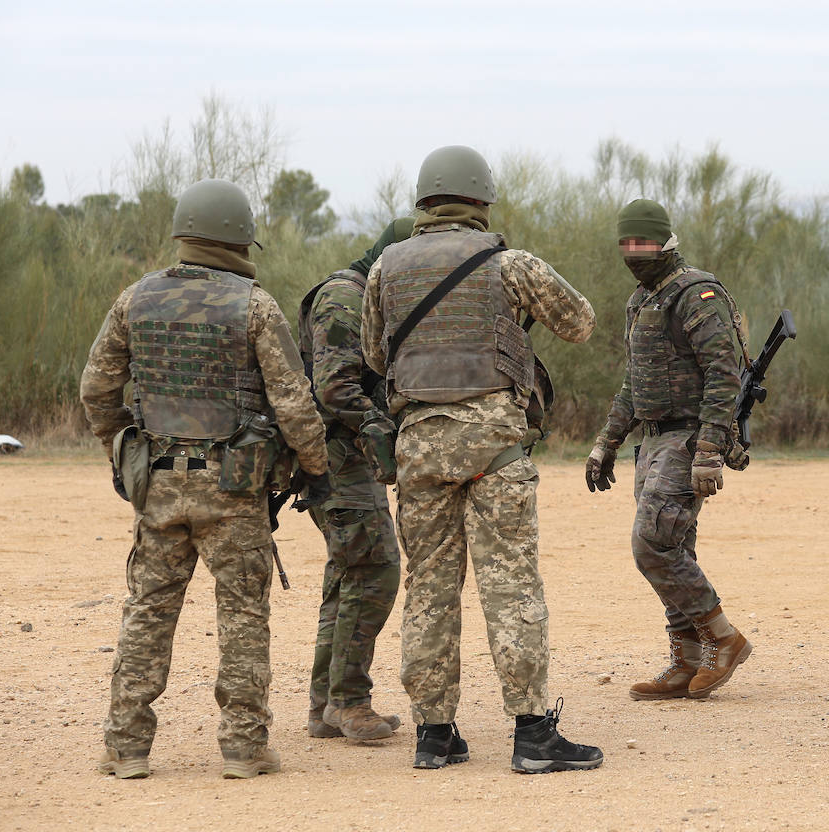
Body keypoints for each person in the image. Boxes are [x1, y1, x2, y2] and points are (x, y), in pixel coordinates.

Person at [362, 145, 603, 773]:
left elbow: (376, 356)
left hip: (418, 445)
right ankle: (531, 734)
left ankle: (433, 735)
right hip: (493, 446)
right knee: (510, 582)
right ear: (481, 201)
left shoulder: (386, 266)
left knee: (429, 589)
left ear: (424, 202)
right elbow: (580, 322)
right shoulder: (508, 264)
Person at [81, 178, 330, 779]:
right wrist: (314, 464)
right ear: (239, 236)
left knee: (147, 609)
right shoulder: (255, 305)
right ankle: (244, 749)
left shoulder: (133, 300)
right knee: (243, 614)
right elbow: (293, 401)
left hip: (158, 488)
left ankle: (125, 747)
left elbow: (96, 390)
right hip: (235, 488)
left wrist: (124, 451)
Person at [585, 199, 754, 702]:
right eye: (627, 243)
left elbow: (725, 376)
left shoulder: (698, 295)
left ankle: (724, 638)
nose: (635, 252)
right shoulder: (641, 300)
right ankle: (686, 660)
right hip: (653, 439)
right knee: (674, 547)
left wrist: (709, 449)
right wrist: (606, 443)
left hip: (687, 437)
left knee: (651, 544)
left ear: (667, 240)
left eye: (644, 242)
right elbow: (633, 384)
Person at [297, 217, 414, 741]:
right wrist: (379, 425)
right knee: (375, 571)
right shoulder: (345, 297)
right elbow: (335, 388)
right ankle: (349, 700)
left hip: (343, 458)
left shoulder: (369, 296)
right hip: (338, 458)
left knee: (347, 576)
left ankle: (327, 705)